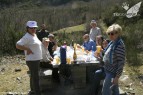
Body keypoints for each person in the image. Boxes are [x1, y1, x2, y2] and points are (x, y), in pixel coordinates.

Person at [16, 21, 42, 95]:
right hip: (32, 60)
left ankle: (33, 90)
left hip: (36, 59)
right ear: (27, 28)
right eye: (31, 28)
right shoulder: (27, 36)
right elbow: (17, 45)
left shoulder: (34, 35)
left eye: (35, 28)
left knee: (33, 76)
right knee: (36, 77)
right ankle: (38, 93)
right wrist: (27, 49)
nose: (33, 29)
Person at [102, 24, 125, 95]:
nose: (110, 35)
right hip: (108, 69)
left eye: (112, 33)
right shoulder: (112, 42)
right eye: (109, 33)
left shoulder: (119, 45)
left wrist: (117, 77)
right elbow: (107, 53)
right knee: (115, 89)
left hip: (112, 73)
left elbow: (121, 62)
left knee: (105, 91)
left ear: (118, 33)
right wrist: (101, 52)